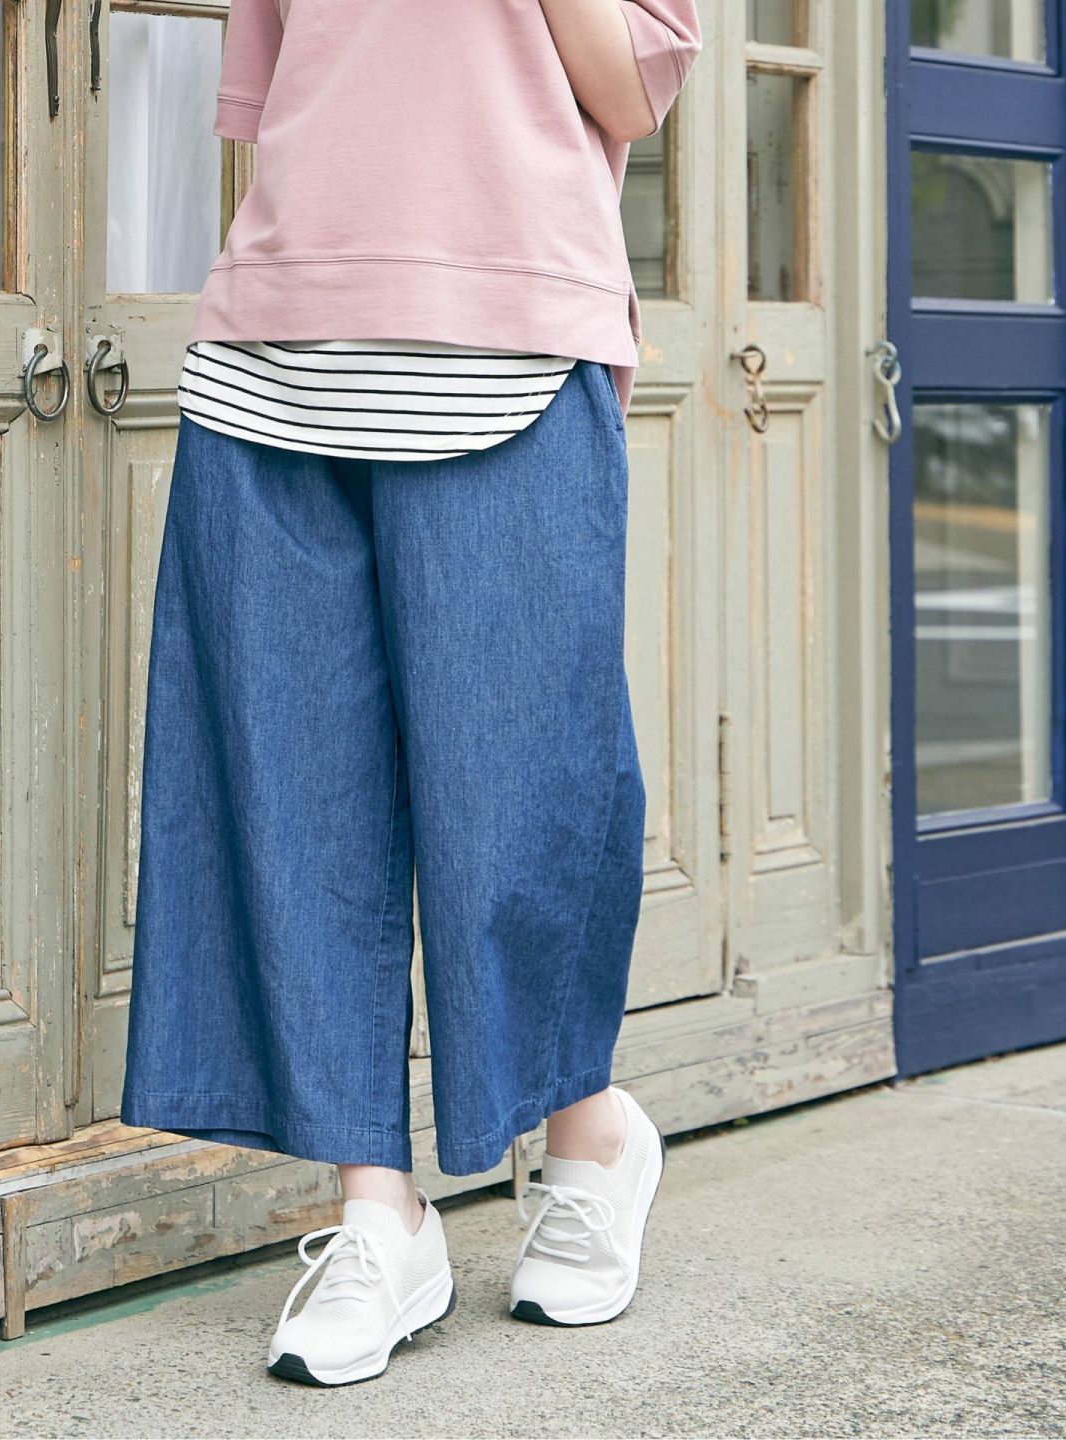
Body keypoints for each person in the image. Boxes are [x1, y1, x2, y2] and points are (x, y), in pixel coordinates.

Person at [120, 0, 702, 1387]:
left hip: (511, 331)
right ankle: (378, 1213)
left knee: (524, 784)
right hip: (277, 341)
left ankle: (588, 1136)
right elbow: (289, 100)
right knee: (294, 798)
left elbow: (634, 90)